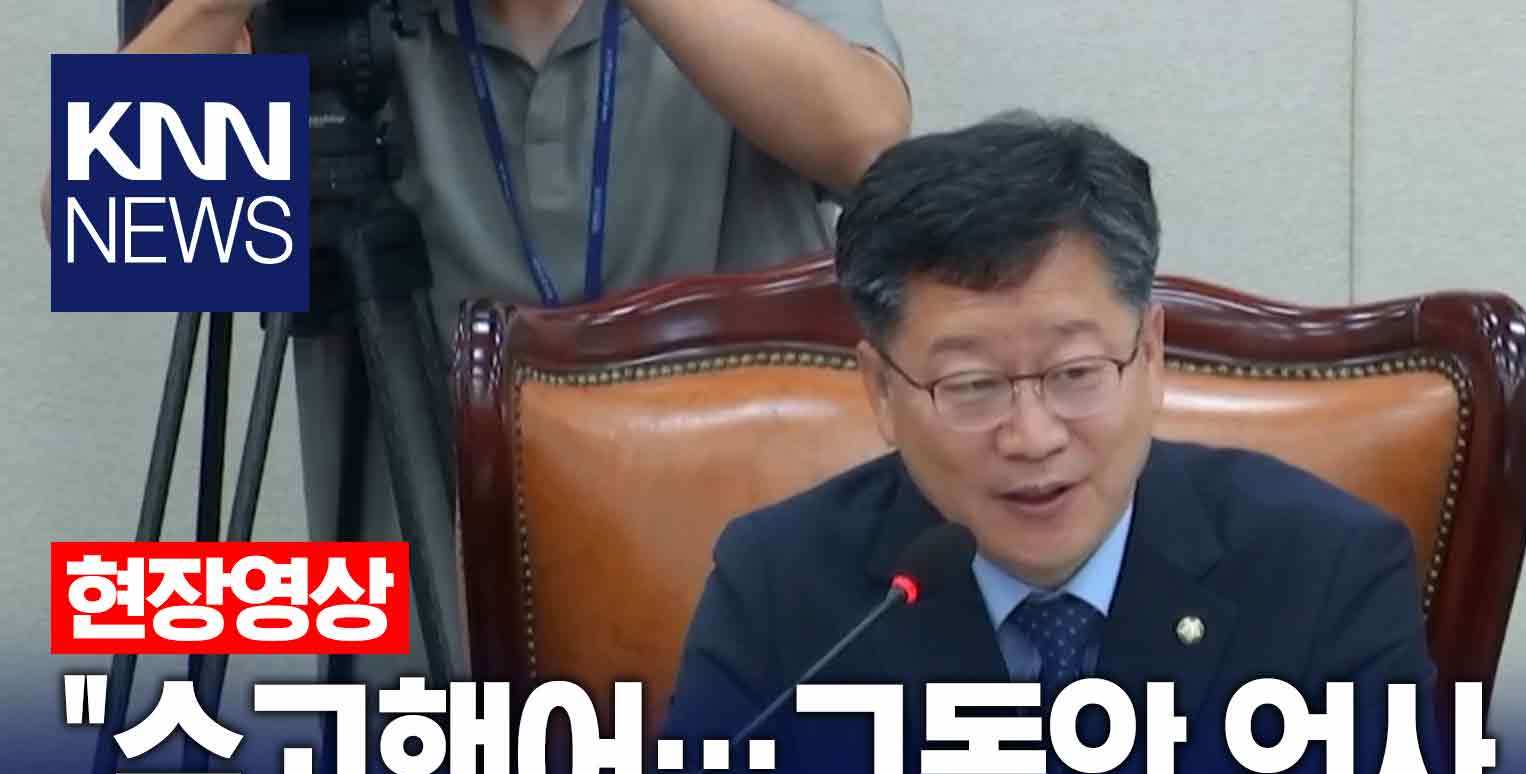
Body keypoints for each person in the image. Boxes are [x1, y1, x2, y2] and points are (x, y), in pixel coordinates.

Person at [659, 111, 1444, 774]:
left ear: (1150, 356)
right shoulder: (784, 585)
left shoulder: (1324, 570)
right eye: (972, 386)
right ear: (881, 391)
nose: (1033, 437)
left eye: (1076, 373)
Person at [42, 0, 909, 681]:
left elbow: (867, 141)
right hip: (435, 667)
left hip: (746, 644)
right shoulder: (330, 25)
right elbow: (100, 221)